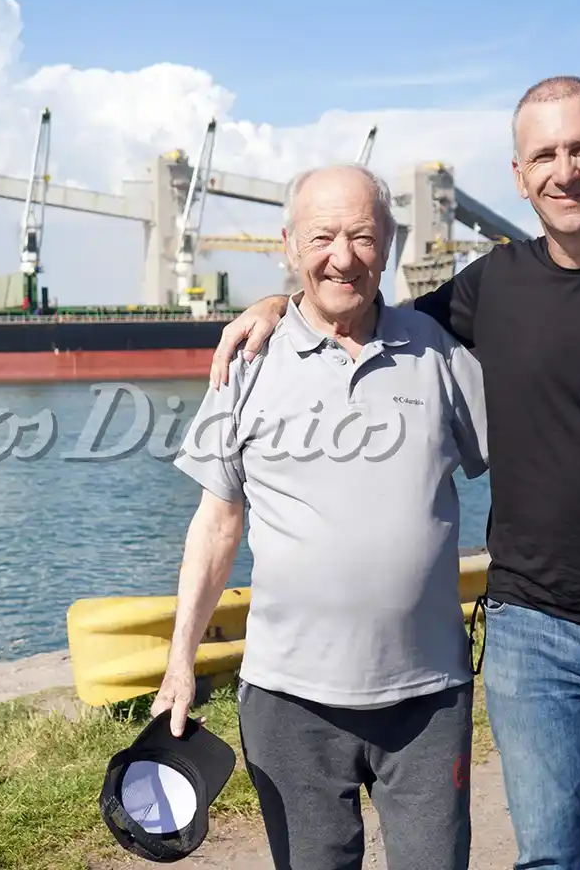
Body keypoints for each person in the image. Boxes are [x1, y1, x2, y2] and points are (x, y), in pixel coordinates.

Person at [207, 75, 580, 869]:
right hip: (533, 632)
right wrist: (277, 306)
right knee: (549, 861)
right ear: (519, 177)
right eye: (544, 155)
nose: (565, 170)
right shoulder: (490, 287)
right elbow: (357, 308)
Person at [153, 163, 489, 869]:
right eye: (323, 236)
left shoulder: (442, 354)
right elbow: (216, 528)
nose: (343, 256)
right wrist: (179, 664)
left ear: (391, 243)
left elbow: (536, 468)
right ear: (290, 244)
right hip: (289, 704)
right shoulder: (245, 362)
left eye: (364, 236)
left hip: (427, 698)